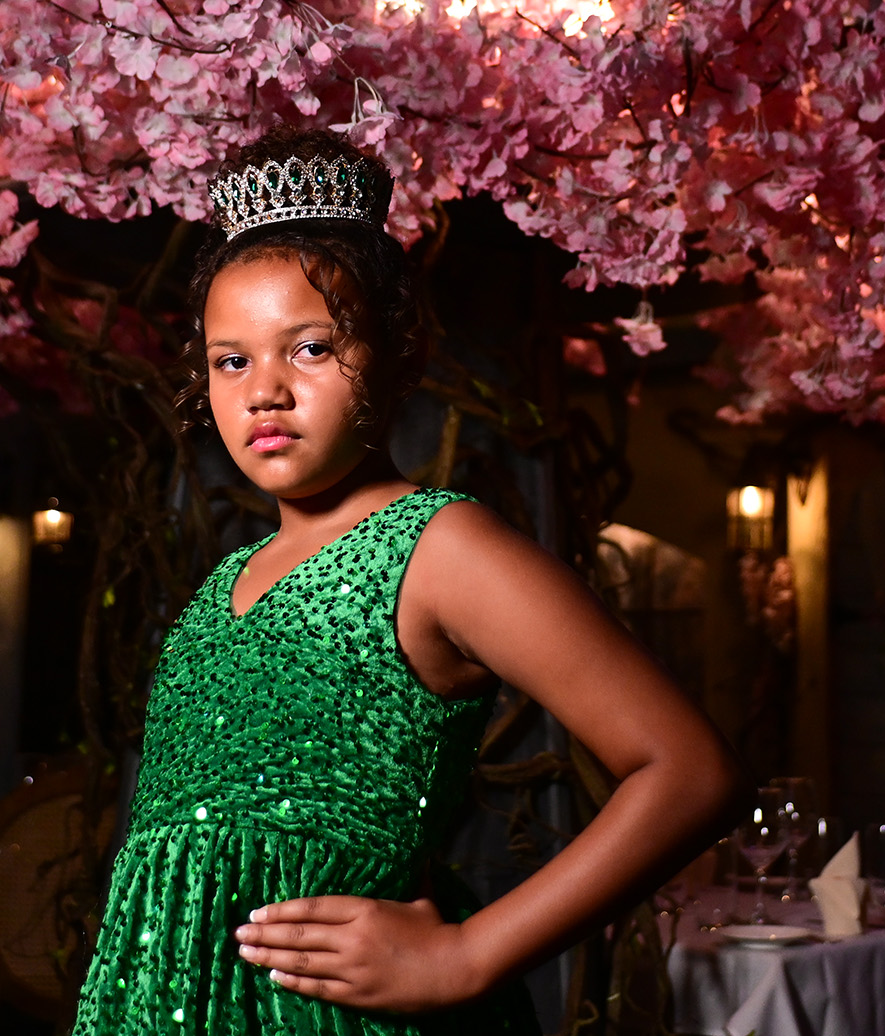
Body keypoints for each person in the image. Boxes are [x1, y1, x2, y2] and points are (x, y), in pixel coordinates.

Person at [68, 129, 739, 1034]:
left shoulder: (441, 547)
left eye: (310, 348)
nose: (265, 390)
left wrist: (467, 954)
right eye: (232, 360)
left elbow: (691, 772)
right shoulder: (224, 581)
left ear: (399, 354)